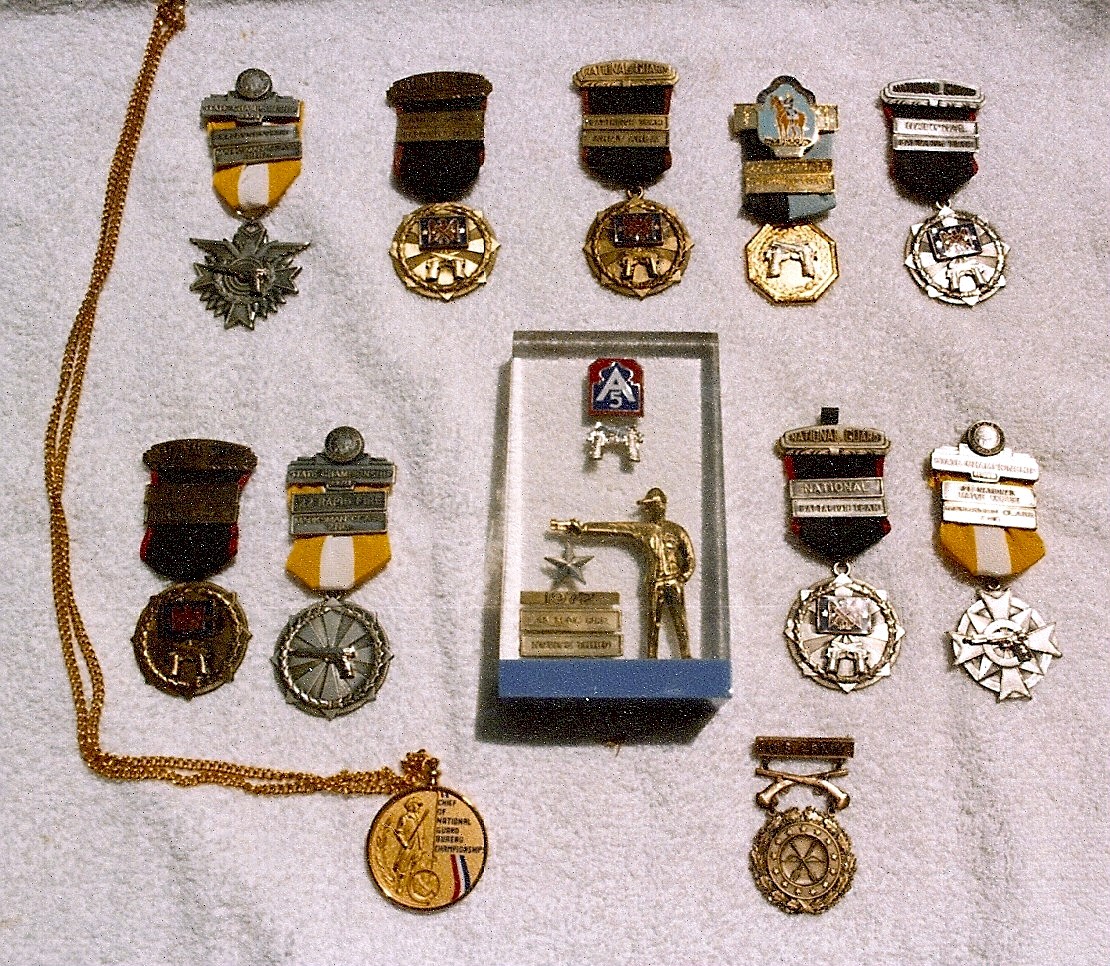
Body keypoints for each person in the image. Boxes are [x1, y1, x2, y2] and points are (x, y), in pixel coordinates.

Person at [551, 488, 695, 658]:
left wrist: (683, 577)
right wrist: (583, 529)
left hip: (673, 581)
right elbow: (614, 528)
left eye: (652, 506)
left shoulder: (677, 530)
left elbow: (690, 557)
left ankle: (686, 656)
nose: (649, 510)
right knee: (653, 623)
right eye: (648, 507)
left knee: (680, 620)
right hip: (655, 582)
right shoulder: (644, 530)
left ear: (662, 506)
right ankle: (651, 658)